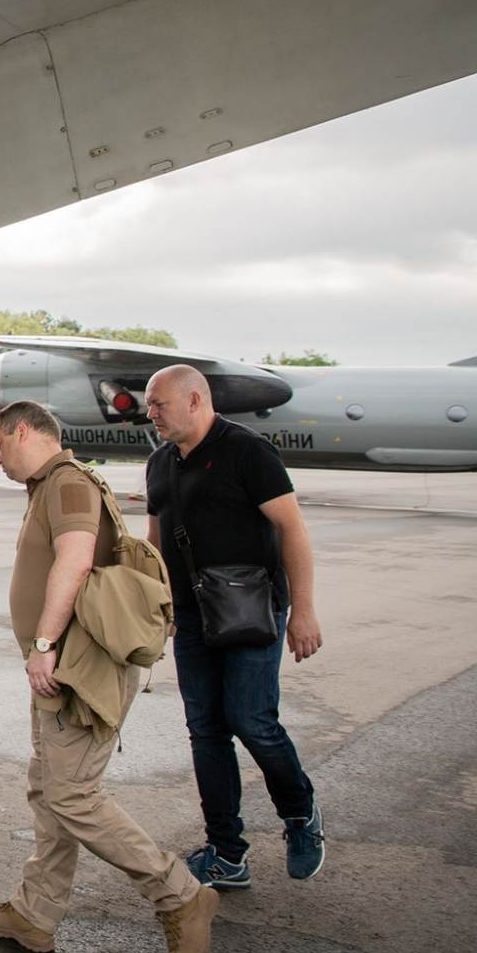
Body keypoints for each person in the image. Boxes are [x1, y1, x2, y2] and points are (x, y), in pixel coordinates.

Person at [0, 399, 217, 953]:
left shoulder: (67, 485)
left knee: (73, 796)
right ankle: (35, 914)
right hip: (64, 668)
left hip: (75, 667)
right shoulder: (53, 484)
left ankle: (179, 895)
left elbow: (75, 563)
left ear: (22, 431)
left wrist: (45, 644)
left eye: (0, 444)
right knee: (50, 788)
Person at [144, 364, 325, 890]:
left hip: (252, 610)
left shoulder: (247, 451)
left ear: (196, 400)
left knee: (252, 721)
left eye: (159, 404)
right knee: (206, 732)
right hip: (194, 617)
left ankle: (300, 814)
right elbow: (155, 545)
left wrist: (304, 611)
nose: (150, 413)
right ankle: (227, 853)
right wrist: (157, 610)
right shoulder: (159, 463)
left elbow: (292, 529)